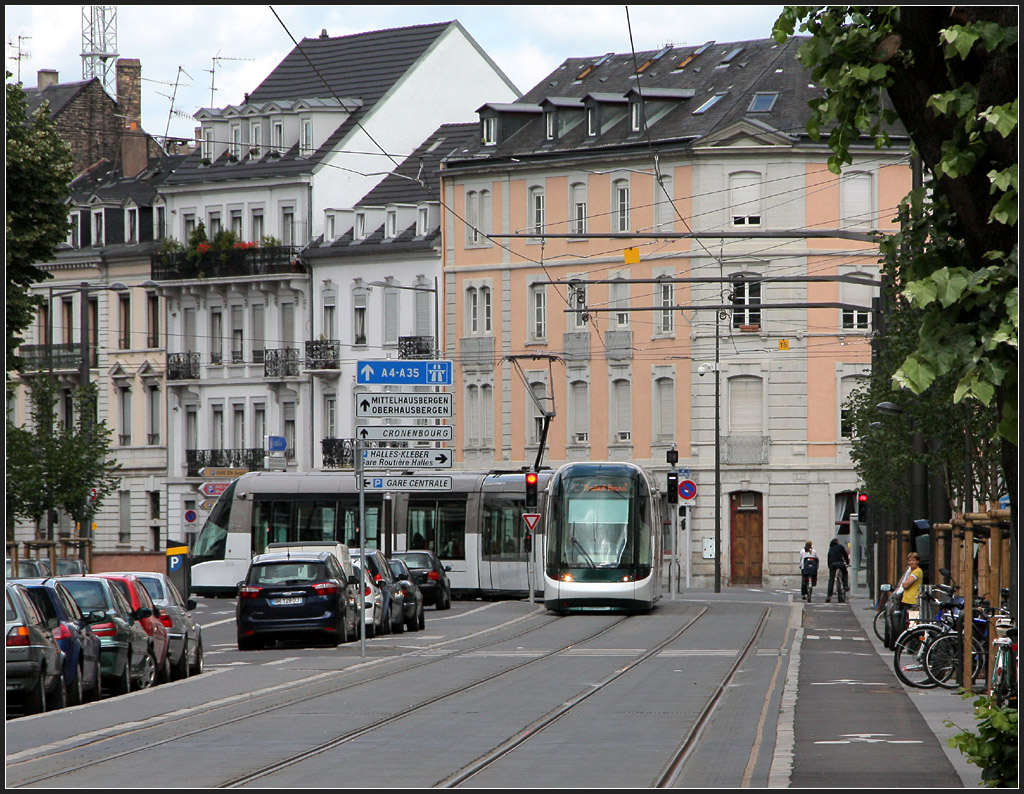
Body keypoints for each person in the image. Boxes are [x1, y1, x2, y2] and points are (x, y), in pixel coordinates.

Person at [894, 551, 924, 633]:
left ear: (918, 561)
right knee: (905, 623)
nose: (911, 562)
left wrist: (904, 583)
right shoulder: (911, 571)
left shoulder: (917, 571)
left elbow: (906, 584)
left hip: (912, 600)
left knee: (909, 624)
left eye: (913, 560)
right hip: (908, 599)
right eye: (910, 561)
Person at [825, 538, 851, 602]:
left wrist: (829, 566)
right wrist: (847, 562)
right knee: (845, 573)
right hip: (840, 563)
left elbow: (828, 558)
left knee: (831, 579)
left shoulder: (830, 549)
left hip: (832, 564)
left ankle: (829, 595)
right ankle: (845, 586)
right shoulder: (840, 547)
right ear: (837, 542)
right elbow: (845, 555)